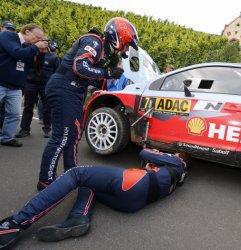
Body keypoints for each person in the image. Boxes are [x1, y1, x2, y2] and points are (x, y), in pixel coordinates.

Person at [0, 148, 190, 249]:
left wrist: (153, 150)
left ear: (180, 157)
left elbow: (144, 153)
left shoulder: (175, 160)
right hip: (133, 204)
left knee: (76, 174)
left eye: (175, 152)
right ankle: (78, 218)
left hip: (132, 183)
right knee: (89, 185)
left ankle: (16, 223)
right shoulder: (177, 178)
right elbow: (156, 178)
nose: (172, 153)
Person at [37, 17, 139, 191]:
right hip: (63, 87)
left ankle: (72, 174)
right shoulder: (94, 42)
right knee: (61, 137)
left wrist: (109, 74)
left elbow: (93, 77)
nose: (127, 49)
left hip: (75, 91)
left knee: (75, 136)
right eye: (127, 44)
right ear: (118, 37)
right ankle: (45, 180)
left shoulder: (105, 51)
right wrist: (107, 72)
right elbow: (80, 67)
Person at [0, 24, 49, 147]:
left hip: (15, 87)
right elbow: (16, 53)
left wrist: (42, 54)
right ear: (27, 32)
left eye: (41, 39)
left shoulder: (29, 47)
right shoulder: (8, 36)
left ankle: (7, 138)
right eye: (38, 37)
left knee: (14, 114)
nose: (39, 41)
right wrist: (36, 47)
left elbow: (37, 68)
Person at [16, 39, 60, 138]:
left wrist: (55, 86)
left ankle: (47, 128)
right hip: (30, 84)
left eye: (44, 44)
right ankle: (25, 129)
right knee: (28, 107)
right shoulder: (32, 54)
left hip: (46, 85)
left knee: (47, 108)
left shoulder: (54, 57)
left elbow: (57, 73)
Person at [0, 21, 17, 134]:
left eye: (12, 30)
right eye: (7, 29)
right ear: (2, 28)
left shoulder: (15, 44)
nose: (9, 32)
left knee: (10, 111)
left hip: (10, 82)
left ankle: (5, 134)